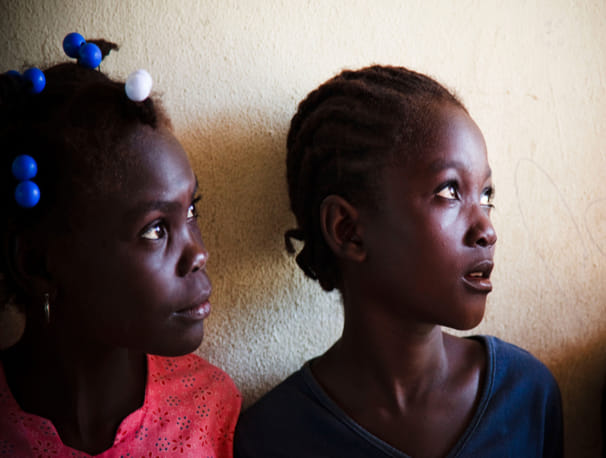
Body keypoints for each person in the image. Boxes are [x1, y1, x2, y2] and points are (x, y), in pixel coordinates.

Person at [235, 65, 563, 457]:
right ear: (348, 231)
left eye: (487, 195)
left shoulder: (527, 395)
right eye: (449, 191)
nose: (486, 230)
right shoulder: (273, 437)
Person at [0, 33, 240, 457]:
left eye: (190, 212)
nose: (199, 254)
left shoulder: (210, 413)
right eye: (155, 230)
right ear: (38, 264)